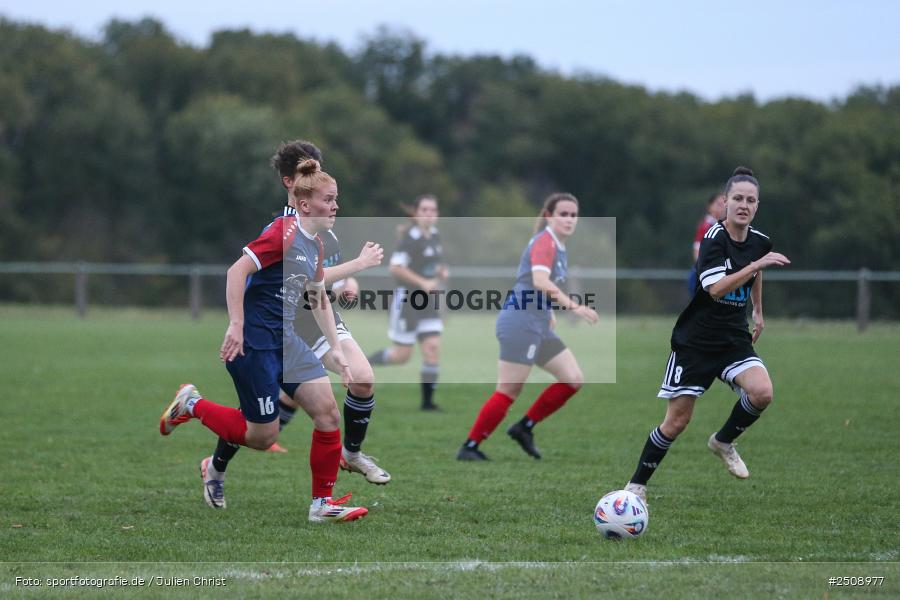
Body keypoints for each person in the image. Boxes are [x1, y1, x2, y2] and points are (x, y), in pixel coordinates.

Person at [159, 158, 368, 523]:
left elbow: (318, 295)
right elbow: (237, 270)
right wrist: (236, 324)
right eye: (329, 199)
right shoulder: (283, 232)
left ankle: (321, 505)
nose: (336, 206)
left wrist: (336, 349)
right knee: (262, 436)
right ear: (305, 204)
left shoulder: (316, 245)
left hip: (288, 341)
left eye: (336, 199)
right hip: (254, 344)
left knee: (328, 413)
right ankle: (192, 404)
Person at [623, 167, 790, 504]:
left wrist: (758, 309)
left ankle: (723, 441)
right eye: (738, 198)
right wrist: (754, 266)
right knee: (677, 422)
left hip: (733, 338)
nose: (744, 205)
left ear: (757, 205)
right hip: (696, 342)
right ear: (725, 202)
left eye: (751, 200)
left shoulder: (760, 241)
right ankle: (636, 486)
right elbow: (715, 288)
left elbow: (756, 271)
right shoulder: (714, 238)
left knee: (762, 392)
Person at [268, 140, 391, 485]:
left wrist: (347, 285)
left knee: (362, 378)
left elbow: (324, 282)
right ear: (289, 182)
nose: (316, 179)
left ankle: (351, 454)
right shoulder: (283, 229)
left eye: (318, 171)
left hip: (320, 320)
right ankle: (215, 453)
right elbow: (309, 280)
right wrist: (359, 265)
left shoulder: (324, 225)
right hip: (286, 327)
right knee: (259, 429)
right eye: (305, 172)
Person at [457, 193, 599, 461]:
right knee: (508, 390)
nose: (569, 219)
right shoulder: (545, 241)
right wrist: (575, 307)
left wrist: (548, 312)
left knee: (572, 379)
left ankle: (524, 427)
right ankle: (470, 447)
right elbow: (540, 281)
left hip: (537, 324)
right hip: (520, 323)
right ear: (548, 216)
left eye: (573, 215)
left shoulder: (558, 245)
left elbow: (537, 286)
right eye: (563, 214)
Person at [367, 195, 448, 411]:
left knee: (432, 348)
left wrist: (440, 271)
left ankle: (427, 404)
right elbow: (395, 267)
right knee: (402, 356)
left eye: (432, 210)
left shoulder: (435, 235)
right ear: (416, 213)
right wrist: (423, 282)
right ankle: (364, 364)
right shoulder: (409, 238)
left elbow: (431, 263)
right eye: (424, 209)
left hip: (428, 303)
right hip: (407, 302)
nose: (429, 214)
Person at [687, 192, 726, 294]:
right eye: (719, 204)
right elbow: (697, 249)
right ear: (710, 207)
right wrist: (702, 270)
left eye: (724, 204)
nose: (722, 208)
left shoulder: (724, 226)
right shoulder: (706, 226)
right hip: (705, 274)